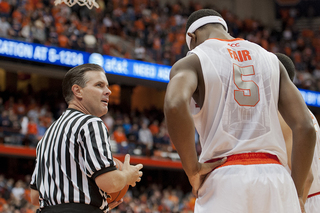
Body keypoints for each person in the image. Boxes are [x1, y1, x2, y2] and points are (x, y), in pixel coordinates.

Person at [163, 9, 316, 213]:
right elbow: (306, 127)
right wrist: (295, 193)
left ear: (192, 36)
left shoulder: (193, 60)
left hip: (225, 177)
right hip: (276, 178)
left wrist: (192, 169)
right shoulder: (271, 59)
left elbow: (174, 104)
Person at [29, 64, 143, 213]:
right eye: (99, 85)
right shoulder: (90, 123)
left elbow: (35, 196)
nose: (108, 91)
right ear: (78, 91)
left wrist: (95, 202)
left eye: (107, 86)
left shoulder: (47, 136)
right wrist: (127, 175)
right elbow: (109, 182)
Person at [276, 53, 320, 213]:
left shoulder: (285, 114)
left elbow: (307, 177)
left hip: (304, 199)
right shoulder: (306, 112)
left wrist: (296, 203)